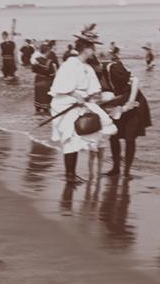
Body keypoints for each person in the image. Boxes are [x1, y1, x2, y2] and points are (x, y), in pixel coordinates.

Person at [49, 25, 117, 184]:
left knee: (87, 135)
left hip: (80, 106)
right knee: (70, 140)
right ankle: (70, 175)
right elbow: (59, 87)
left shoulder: (87, 67)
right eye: (92, 47)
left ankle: (73, 173)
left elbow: (94, 90)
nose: (94, 51)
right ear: (85, 49)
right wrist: (75, 95)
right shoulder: (70, 64)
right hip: (66, 105)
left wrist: (95, 98)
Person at [99, 52, 152, 180]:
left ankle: (127, 171)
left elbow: (135, 80)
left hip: (134, 102)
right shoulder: (97, 73)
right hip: (118, 102)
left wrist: (130, 102)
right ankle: (116, 168)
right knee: (114, 136)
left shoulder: (113, 68)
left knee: (130, 138)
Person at [32, 42, 58, 114]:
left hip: (37, 80)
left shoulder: (36, 60)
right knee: (46, 98)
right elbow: (52, 73)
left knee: (38, 96)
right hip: (46, 81)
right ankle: (45, 112)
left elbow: (33, 70)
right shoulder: (49, 62)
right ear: (47, 52)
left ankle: (37, 112)